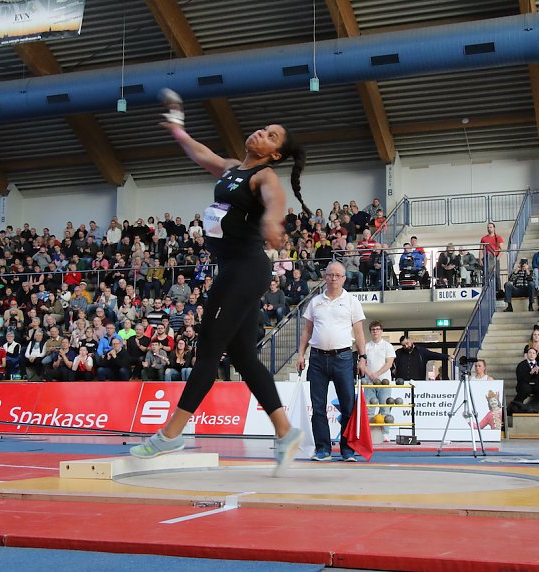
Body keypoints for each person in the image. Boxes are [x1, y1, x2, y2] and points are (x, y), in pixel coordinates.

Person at [130, 107, 304, 477]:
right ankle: (286, 432)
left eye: (272, 136)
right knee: (242, 355)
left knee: (208, 351)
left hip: (245, 270)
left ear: (274, 154)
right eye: (264, 127)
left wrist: (274, 222)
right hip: (234, 271)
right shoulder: (231, 169)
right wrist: (179, 131)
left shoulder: (266, 175)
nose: (261, 133)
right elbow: (201, 154)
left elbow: (275, 201)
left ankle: (171, 434)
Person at [297, 261, 367, 462]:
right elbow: (307, 331)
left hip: (343, 358)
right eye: (330, 275)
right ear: (325, 277)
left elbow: (359, 332)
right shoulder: (315, 302)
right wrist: (301, 354)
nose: (333, 278)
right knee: (318, 407)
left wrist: (363, 357)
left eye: (337, 275)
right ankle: (323, 449)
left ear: (344, 278)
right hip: (317, 359)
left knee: (347, 406)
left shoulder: (352, 301)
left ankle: (347, 450)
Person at [361, 321, 396, 442]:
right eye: (373, 329)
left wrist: (377, 374)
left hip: (384, 382)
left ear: (381, 331)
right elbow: (362, 363)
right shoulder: (366, 346)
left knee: (385, 408)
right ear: (370, 332)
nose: (375, 331)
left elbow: (389, 363)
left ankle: (385, 434)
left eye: (377, 329)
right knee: (369, 409)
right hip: (369, 382)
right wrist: (370, 374)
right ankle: (370, 434)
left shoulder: (388, 346)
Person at [479, 222, 504, 287]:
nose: (489, 229)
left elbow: (502, 249)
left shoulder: (498, 237)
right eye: (488, 227)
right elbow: (481, 249)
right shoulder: (484, 238)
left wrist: (497, 258)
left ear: (494, 228)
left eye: (490, 227)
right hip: (487, 257)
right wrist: (480, 259)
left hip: (495, 256)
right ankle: (486, 289)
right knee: (486, 274)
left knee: (496, 275)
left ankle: (498, 290)